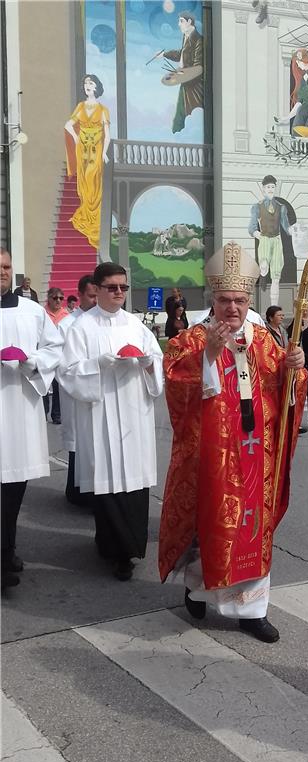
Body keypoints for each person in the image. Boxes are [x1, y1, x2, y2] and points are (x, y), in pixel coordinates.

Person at [158, 242, 307, 643]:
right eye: (225, 300)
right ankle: (197, 589)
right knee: (212, 526)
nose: (233, 308)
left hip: (259, 455)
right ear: (212, 299)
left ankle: (252, 611)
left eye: (240, 300)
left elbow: (286, 390)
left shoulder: (265, 340)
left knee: (254, 529)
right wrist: (209, 355)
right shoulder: (189, 340)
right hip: (213, 458)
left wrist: (297, 370)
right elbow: (177, 388)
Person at [58, 263, 163, 581]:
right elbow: (68, 372)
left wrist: (148, 365)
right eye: (112, 287)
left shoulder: (136, 325)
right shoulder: (82, 327)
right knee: (108, 483)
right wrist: (97, 364)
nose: (119, 292)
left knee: (133, 484)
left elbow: (157, 362)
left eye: (123, 287)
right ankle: (112, 550)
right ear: (98, 289)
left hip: (134, 415)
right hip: (102, 416)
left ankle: (131, 547)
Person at [0, 249, 63, 591]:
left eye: (6, 267)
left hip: (20, 409)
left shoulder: (32, 311)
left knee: (13, 488)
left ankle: (6, 549)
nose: (3, 272)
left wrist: (29, 360)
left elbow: (54, 349)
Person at [58, 274, 98, 505]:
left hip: (99, 388)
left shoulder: (100, 320)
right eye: (91, 296)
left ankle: (93, 490)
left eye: (97, 295)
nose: (94, 300)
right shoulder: (67, 324)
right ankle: (75, 490)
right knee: (78, 441)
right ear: (80, 294)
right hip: (76, 389)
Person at [64, 74, 111, 250]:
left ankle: (93, 216)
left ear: (97, 87)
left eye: (90, 83)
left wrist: (104, 153)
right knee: (83, 181)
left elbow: (107, 134)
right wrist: (76, 138)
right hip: (82, 149)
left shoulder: (103, 109)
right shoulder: (80, 106)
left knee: (93, 178)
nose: (87, 86)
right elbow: (68, 125)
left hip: (96, 149)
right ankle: (84, 211)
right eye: (85, 83)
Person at [155, 12, 203, 134]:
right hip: (185, 82)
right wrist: (164, 54)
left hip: (194, 86)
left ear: (189, 22)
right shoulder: (187, 37)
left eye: (181, 21)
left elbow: (198, 67)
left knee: (189, 114)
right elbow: (182, 54)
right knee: (180, 116)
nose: (179, 24)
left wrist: (183, 74)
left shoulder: (198, 40)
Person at [248, 176, 293, 305]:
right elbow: (252, 227)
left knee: (276, 275)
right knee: (264, 265)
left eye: (272, 187)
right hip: (265, 239)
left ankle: (274, 305)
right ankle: (263, 273)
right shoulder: (258, 206)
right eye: (268, 187)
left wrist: (294, 231)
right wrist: (258, 235)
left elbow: (286, 226)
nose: (271, 189)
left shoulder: (281, 207)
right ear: (263, 189)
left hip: (277, 240)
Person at [43, 287, 69, 424]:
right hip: (45, 353)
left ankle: (56, 414)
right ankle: (43, 411)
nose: (58, 301)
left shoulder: (66, 315)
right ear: (49, 299)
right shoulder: (42, 313)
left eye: (60, 298)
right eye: (55, 298)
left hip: (60, 355)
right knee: (43, 385)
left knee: (57, 386)